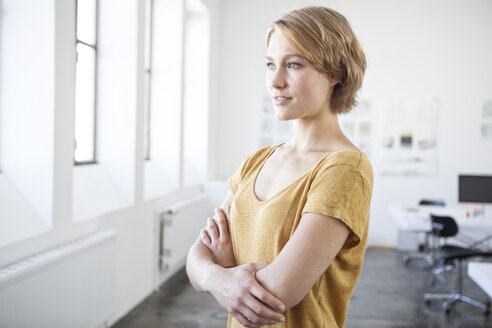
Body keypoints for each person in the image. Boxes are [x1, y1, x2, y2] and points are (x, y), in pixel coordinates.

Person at [186, 6, 373, 328]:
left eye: (294, 64)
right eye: (270, 64)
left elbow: (279, 292)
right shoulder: (256, 160)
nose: (275, 80)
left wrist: (222, 270)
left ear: (335, 74)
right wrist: (217, 275)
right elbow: (195, 258)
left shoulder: (345, 168)